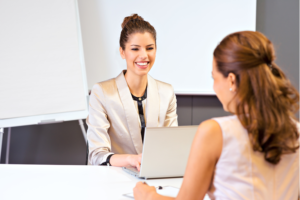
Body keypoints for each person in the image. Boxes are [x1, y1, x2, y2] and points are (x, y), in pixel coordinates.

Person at [133, 31, 299, 200]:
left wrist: (148, 196)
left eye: (214, 78)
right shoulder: (296, 131)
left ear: (232, 81)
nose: (214, 87)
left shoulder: (215, 132)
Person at [86, 14, 178, 168]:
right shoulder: (101, 92)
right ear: (122, 52)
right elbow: (97, 154)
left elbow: (172, 145)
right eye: (135, 49)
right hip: (114, 178)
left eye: (150, 48)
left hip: (154, 178)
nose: (144, 55)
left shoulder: (167, 92)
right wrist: (130, 160)